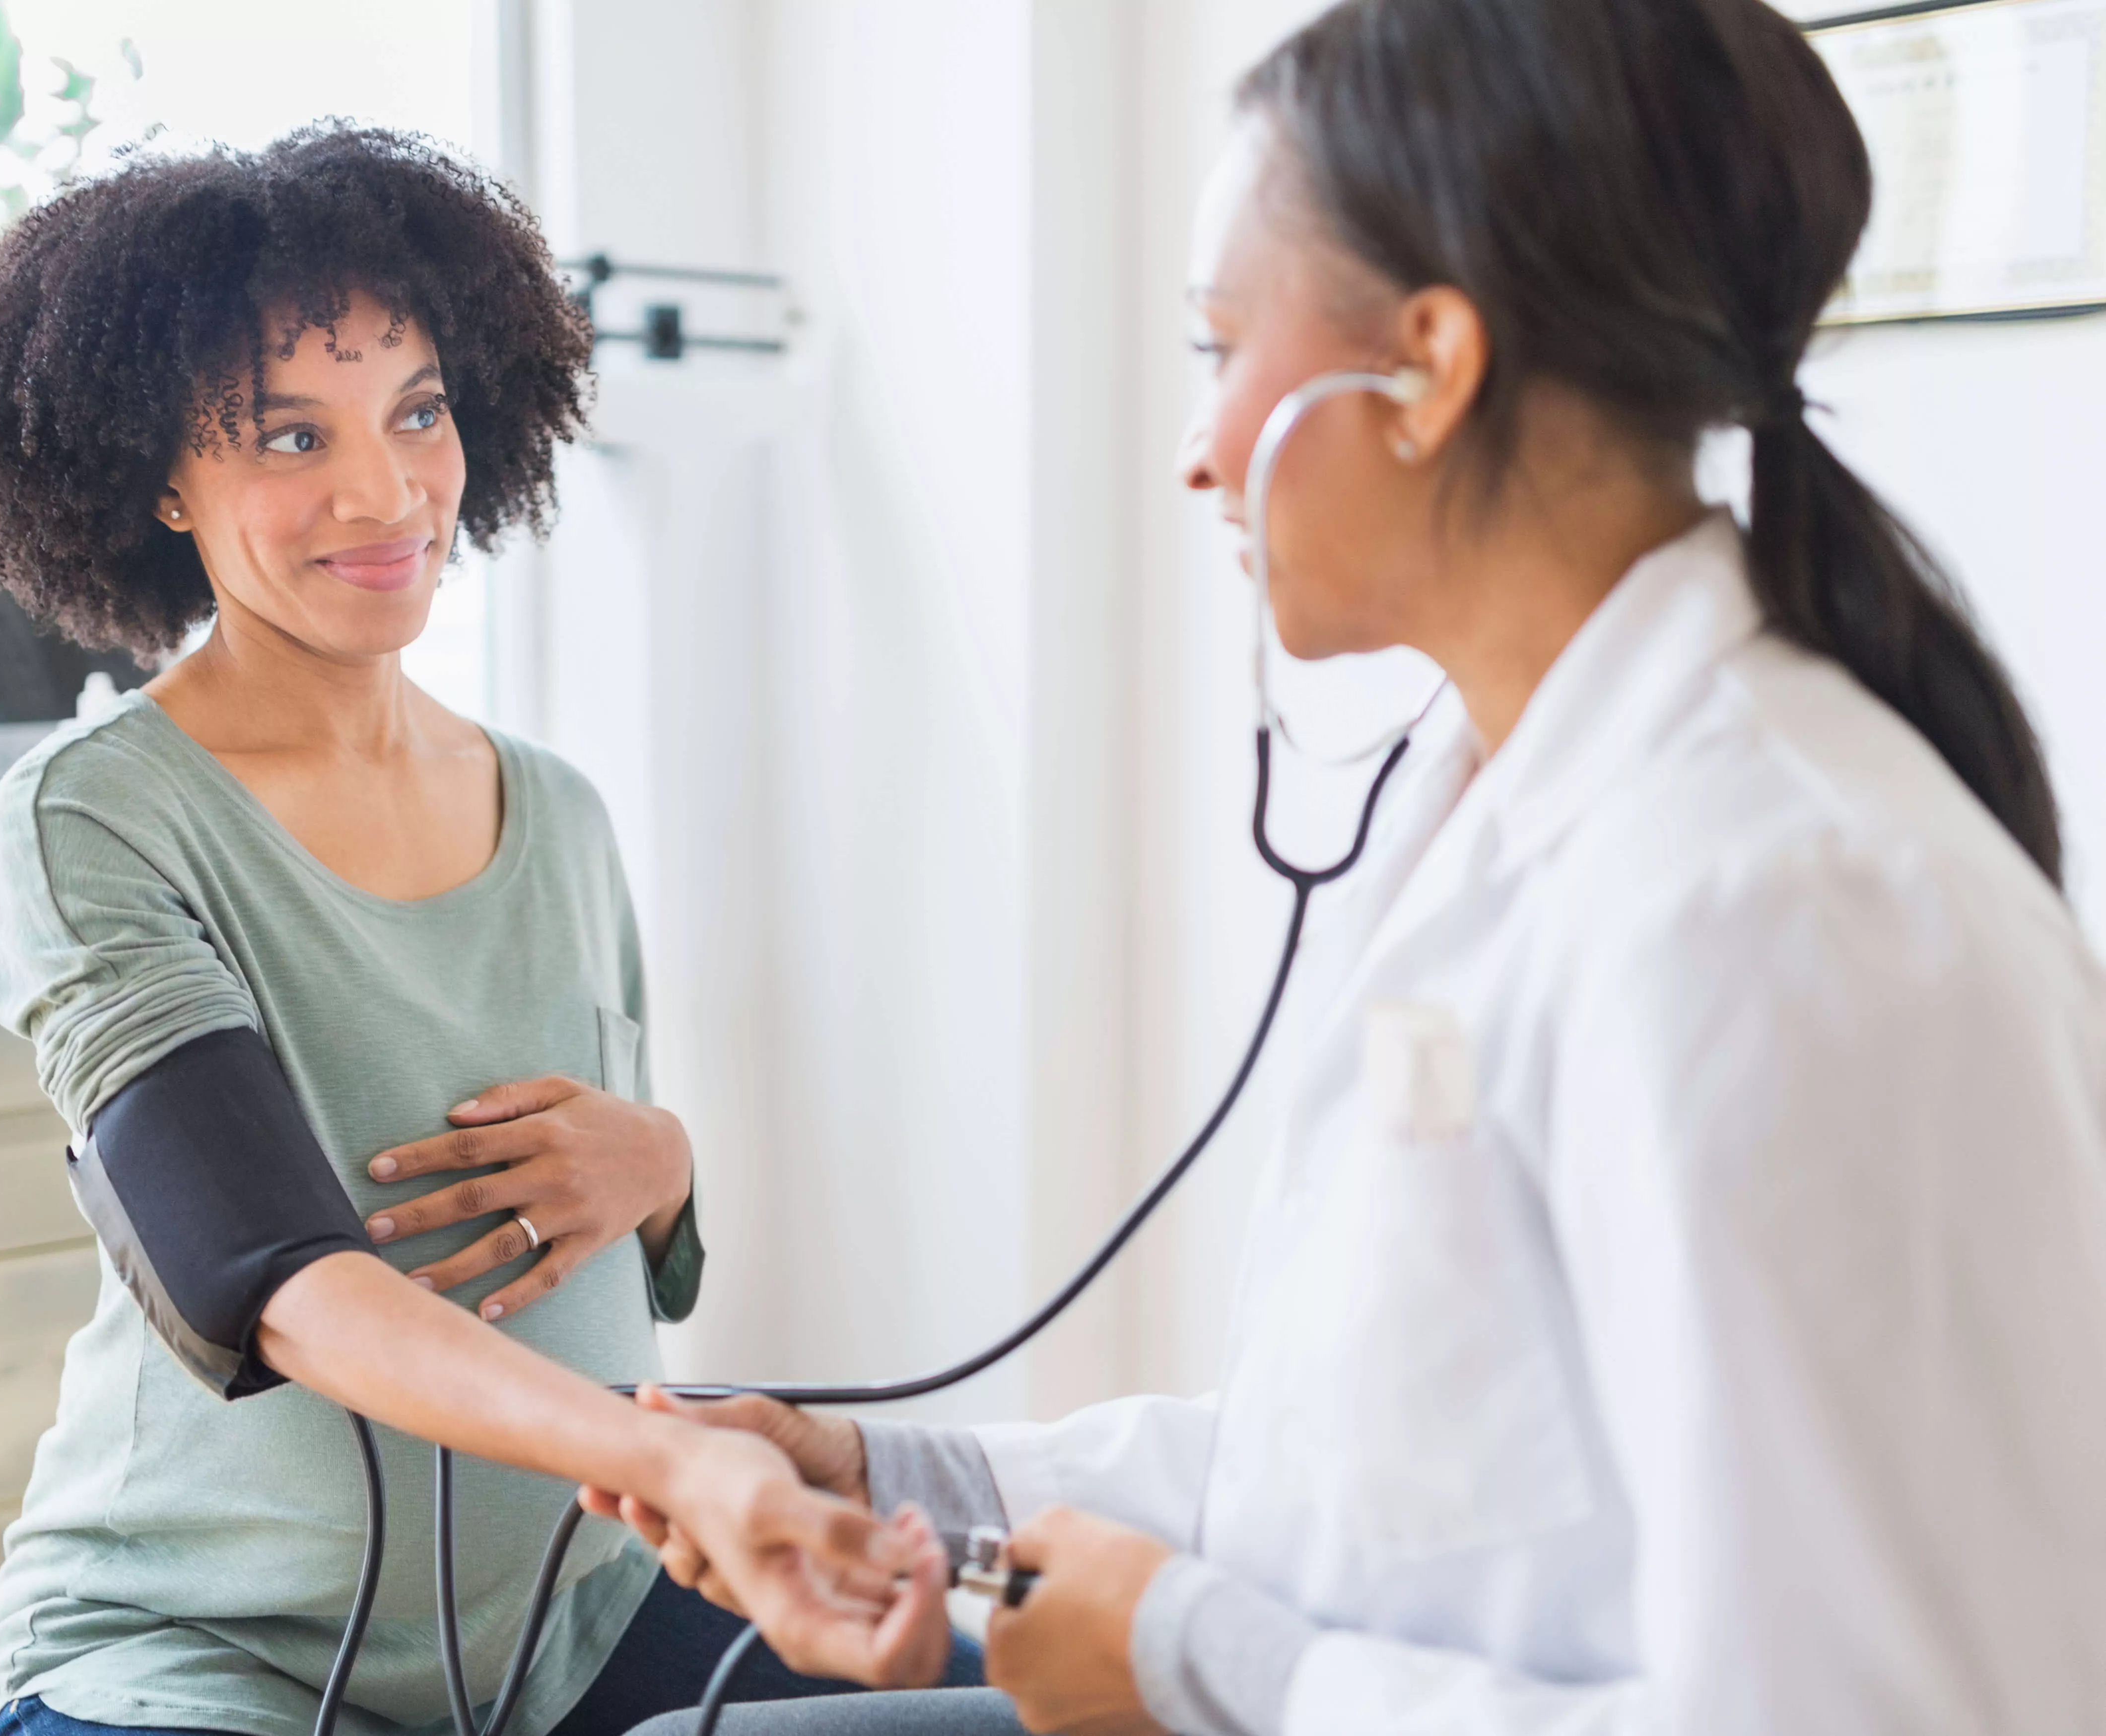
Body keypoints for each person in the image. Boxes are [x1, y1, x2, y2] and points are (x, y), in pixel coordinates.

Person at [593, 1, 2106, 1730]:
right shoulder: (1495, 804)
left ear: (1431, 367)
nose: (1197, 448)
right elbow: (1391, 1491)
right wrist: (882, 1475)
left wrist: (1191, 1664)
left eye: (1220, 345)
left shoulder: (1775, 909)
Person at [0, 126, 973, 1736]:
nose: (384, 489)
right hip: (203, 1654)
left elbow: (609, 1250)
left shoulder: (556, 812)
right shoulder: (95, 814)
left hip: (584, 1619)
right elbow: (264, 1271)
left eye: (417, 409)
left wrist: (667, 1161)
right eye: (290, 436)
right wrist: (671, 1452)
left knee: (1071, 1700)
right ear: (154, 474)